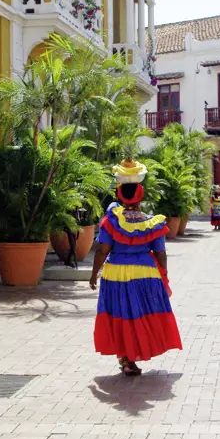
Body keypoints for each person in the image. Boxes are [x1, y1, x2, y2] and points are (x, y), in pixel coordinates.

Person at [90, 159, 182, 376]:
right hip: (146, 273)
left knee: (120, 314)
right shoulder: (153, 222)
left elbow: (102, 250)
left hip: (116, 273)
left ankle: (126, 359)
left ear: (120, 194)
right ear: (140, 194)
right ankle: (137, 352)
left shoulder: (111, 220)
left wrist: (94, 273)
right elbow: (160, 252)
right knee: (143, 314)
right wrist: (164, 272)